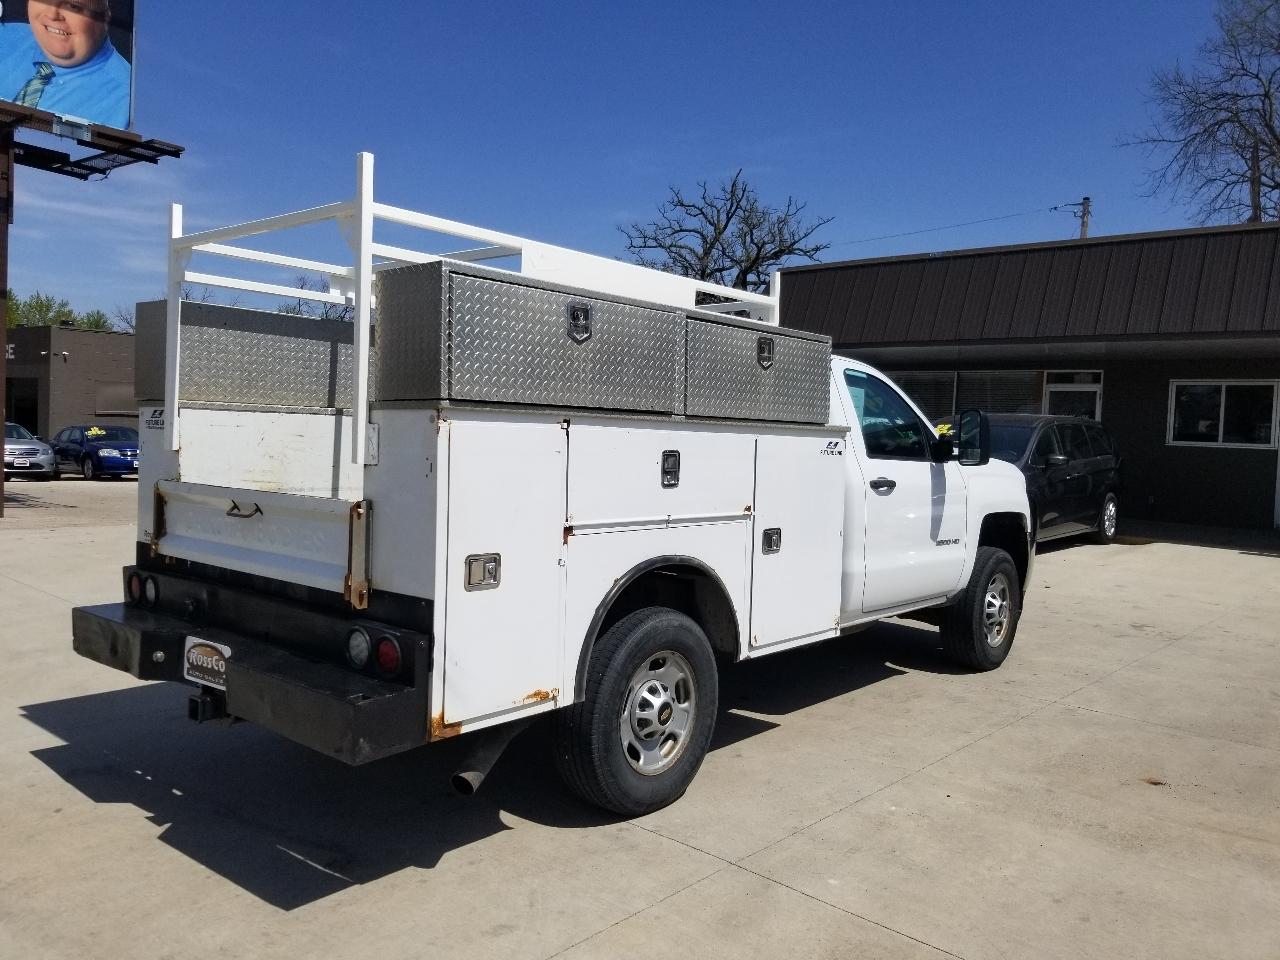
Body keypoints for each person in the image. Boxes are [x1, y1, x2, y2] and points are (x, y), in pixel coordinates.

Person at [0, 0, 130, 129]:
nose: (52, 15)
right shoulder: (5, 36)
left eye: (73, 6)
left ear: (105, 16)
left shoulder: (129, 106)